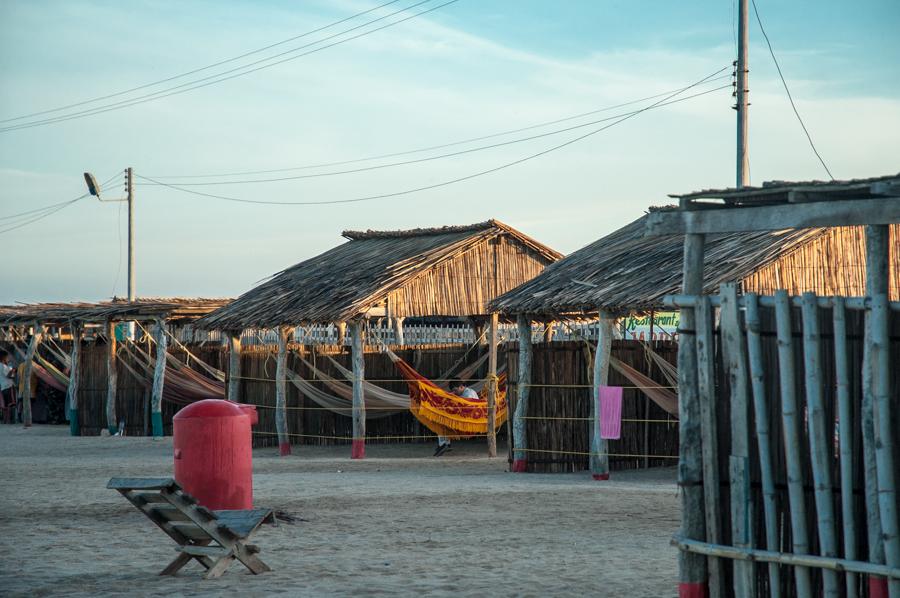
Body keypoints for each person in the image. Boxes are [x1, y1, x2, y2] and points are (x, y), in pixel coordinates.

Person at [434, 379, 479, 457]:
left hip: (470, 419)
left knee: (442, 420)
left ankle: (444, 444)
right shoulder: (465, 393)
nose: (455, 392)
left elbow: (466, 406)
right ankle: (445, 444)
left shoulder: (469, 394)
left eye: (455, 390)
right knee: (442, 419)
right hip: (466, 417)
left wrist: (452, 398)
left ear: (461, 387)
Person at [0, 350, 16, 424]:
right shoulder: (3, 366)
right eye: (7, 357)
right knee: (10, 404)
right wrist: (12, 370)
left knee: (5, 404)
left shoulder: (3, 366)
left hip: (3, 386)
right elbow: (9, 376)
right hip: (8, 386)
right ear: (4, 358)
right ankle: (9, 420)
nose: (8, 359)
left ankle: (5, 420)